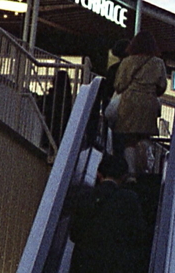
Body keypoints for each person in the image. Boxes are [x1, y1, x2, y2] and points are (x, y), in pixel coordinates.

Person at [69, 153, 146, 273]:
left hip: (84, 265)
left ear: (99, 174)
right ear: (124, 176)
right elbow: (138, 235)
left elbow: (74, 234)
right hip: (116, 265)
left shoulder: (84, 197)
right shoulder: (129, 199)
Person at [114, 31, 167, 178]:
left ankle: (131, 172)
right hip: (149, 102)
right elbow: (162, 86)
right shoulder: (158, 63)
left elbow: (119, 85)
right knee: (144, 137)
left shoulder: (127, 62)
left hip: (130, 102)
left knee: (129, 139)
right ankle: (144, 167)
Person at [40, 70, 74, 150]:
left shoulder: (53, 96)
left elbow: (43, 107)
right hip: (62, 133)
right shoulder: (68, 97)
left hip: (50, 132)